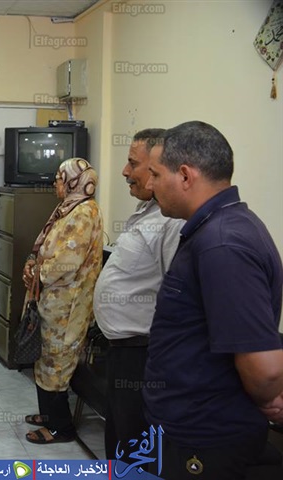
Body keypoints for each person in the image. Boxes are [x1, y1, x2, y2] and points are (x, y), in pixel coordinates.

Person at [143, 121, 283, 479]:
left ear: (185, 175)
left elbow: (265, 368)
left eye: (155, 174)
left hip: (204, 438)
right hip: (189, 428)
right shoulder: (215, 228)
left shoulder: (222, 244)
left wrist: (268, 399)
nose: (150, 185)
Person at [92, 129, 184, 463]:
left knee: (136, 449)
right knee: (119, 443)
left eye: (133, 163)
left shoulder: (173, 222)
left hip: (144, 354)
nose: (124, 171)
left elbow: (178, 295)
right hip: (122, 351)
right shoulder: (147, 211)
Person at [22, 158, 103, 444]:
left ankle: (60, 428)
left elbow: (67, 261)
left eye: (59, 178)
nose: (55, 183)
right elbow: (46, 245)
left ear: (73, 182)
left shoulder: (84, 212)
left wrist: (38, 274)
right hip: (52, 300)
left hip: (67, 305)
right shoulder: (68, 207)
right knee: (45, 358)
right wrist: (32, 263)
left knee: (57, 363)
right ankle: (48, 416)